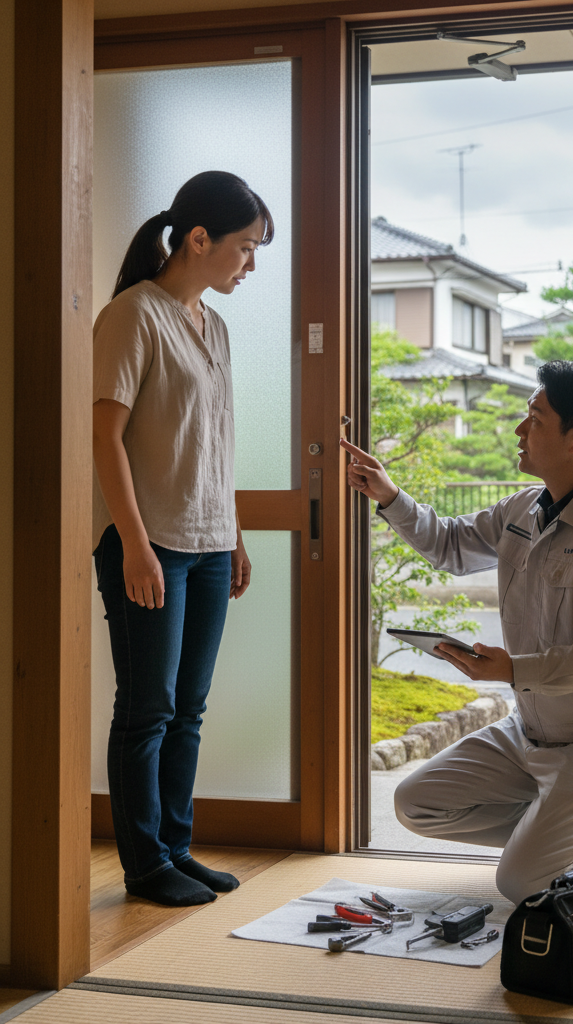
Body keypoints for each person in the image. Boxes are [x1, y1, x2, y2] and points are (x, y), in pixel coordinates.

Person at [342, 361, 573, 904]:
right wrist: (389, 495)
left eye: (535, 419)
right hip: (529, 731)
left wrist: (512, 669)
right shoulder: (523, 508)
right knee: (416, 804)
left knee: (523, 884)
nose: (520, 430)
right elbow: (450, 545)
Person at [92, 170, 273, 907]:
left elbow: (215, 444)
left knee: (188, 710)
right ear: (199, 238)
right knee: (147, 710)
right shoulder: (132, 315)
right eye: (245, 246)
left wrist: (234, 535)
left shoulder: (214, 326)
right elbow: (104, 438)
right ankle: (144, 866)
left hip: (207, 544)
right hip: (150, 543)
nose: (251, 263)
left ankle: (175, 847)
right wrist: (133, 543)